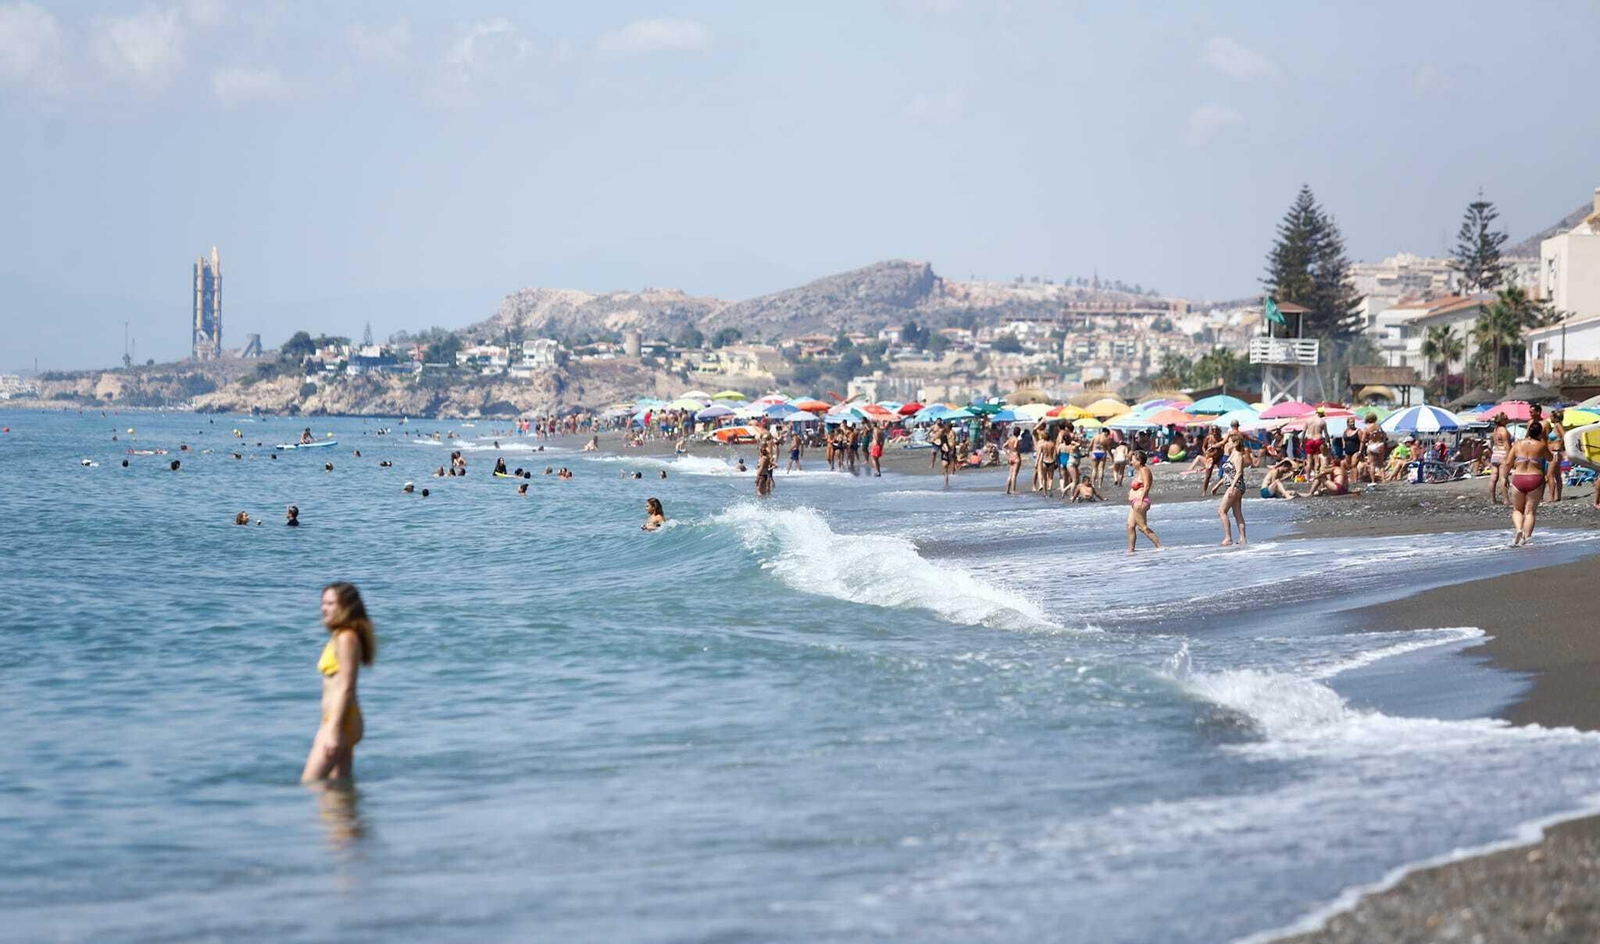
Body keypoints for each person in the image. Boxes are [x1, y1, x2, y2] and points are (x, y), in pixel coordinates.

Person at [301, 582, 376, 783]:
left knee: (310, 784)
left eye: (331, 603)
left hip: (340, 723)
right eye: (323, 603)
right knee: (338, 789)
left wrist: (333, 731)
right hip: (339, 721)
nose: (324, 608)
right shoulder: (340, 635)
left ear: (346, 607)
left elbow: (346, 686)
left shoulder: (346, 638)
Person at [1508, 420, 1552, 546]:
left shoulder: (1517, 444)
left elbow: (1508, 462)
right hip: (1535, 478)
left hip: (1519, 477)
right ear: (1540, 433)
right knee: (1530, 512)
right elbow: (1549, 458)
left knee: (1517, 509)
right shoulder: (1541, 445)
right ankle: (1527, 538)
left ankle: (1519, 530)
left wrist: (1504, 477)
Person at [1126, 451, 1162, 554]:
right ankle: (1131, 550)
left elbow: (1147, 485)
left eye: (1133, 460)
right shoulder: (1138, 471)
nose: (1131, 461)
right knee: (1130, 526)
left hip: (1140, 501)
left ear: (1139, 460)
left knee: (1142, 528)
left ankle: (1160, 547)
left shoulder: (1144, 470)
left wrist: (1141, 499)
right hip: (1134, 503)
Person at [1217, 452, 1247, 546]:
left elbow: (1239, 473)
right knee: (1237, 513)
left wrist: (1232, 487)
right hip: (1233, 486)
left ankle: (1228, 538)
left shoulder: (1238, 455)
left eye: (1229, 441)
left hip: (1235, 487)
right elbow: (1228, 474)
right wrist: (1217, 485)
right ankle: (1242, 538)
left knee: (1222, 511)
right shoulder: (1231, 455)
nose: (1227, 443)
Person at [1488, 413, 1512, 504]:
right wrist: (1509, 457)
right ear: (1502, 420)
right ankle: (1505, 499)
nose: (1508, 419)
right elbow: (1506, 445)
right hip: (1503, 454)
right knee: (1503, 477)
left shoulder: (1495, 430)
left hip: (1495, 454)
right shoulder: (1504, 431)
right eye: (1506, 418)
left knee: (1493, 477)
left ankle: (1492, 499)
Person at [1547, 410, 1567, 503]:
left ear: (1555, 417)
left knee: (1550, 474)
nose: (1549, 418)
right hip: (1556, 453)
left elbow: (1564, 435)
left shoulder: (1558, 425)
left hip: (1555, 452)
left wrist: (1560, 445)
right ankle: (1558, 496)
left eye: (1551, 416)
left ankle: (1551, 497)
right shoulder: (1556, 426)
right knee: (1557, 475)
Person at [1303, 408, 1328, 473]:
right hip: (1318, 440)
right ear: (1321, 414)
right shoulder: (1322, 422)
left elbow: (1303, 432)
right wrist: (1328, 442)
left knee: (1309, 462)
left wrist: (1301, 441)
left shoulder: (1308, 420)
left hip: (1309, 440)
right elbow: (1326, 433)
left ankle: (1308, 479)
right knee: (1317, 461)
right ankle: (1316, 476)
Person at [1004, 428, 1023, 495]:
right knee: (1014, 474)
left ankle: (1007, 490)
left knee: (1010, 474)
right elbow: (1015, 446)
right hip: (1016, 457)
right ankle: (1013, 490)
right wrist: (1017, 450)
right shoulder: (1016, 439)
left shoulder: (1010, 439)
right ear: (1019, 433)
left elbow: (1004, 446)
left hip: (1011, 457)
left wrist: (1008, 454)